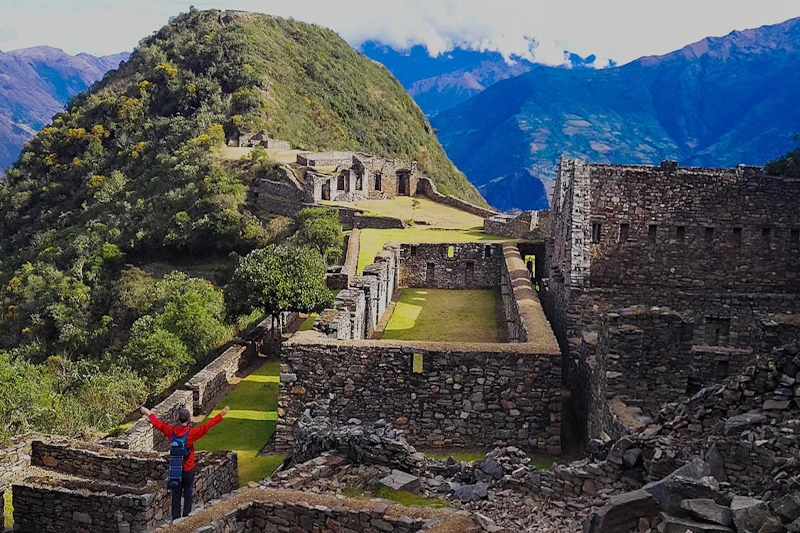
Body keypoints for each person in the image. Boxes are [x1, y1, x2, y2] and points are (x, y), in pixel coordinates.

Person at [140, 404, 230, 520]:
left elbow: (159, 425)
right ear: (188, 419)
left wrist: (148, 413)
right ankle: (186, 517)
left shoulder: (172, 432)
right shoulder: (191, 434)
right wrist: (221, 414)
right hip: (188, 468)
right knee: (188, 493)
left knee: (176, 495)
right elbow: (206, 426)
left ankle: (176, 519)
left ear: (179, 419)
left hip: (176, 468)